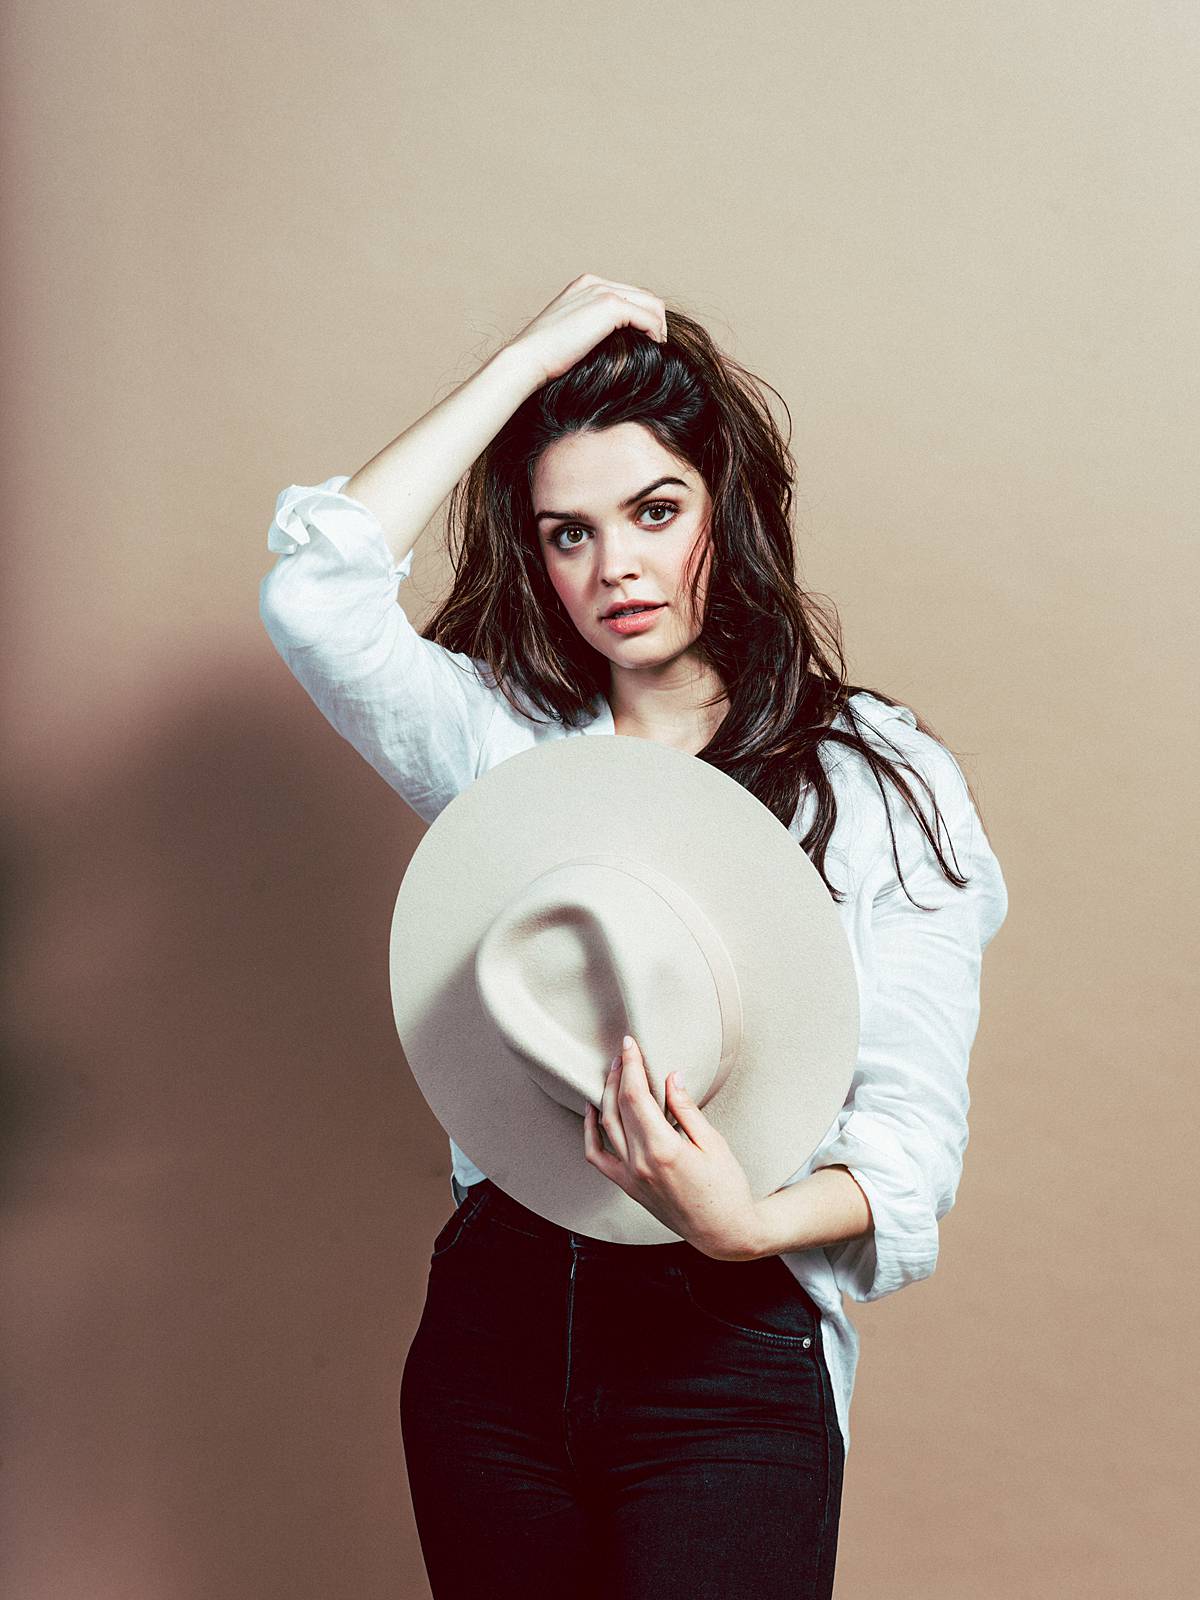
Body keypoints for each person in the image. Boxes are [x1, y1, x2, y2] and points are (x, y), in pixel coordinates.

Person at [258, 273, 1009, 1599]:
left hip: (723, 1348)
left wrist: (739, 1225)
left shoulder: (871, 779)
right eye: (566, 533)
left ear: (731, 507)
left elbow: (906, 1140)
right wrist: (529, 358)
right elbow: (318, 594)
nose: (614, 570)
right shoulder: (507, 747)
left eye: (655, 512)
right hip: (492, 1332)